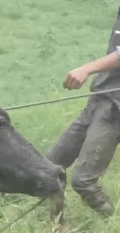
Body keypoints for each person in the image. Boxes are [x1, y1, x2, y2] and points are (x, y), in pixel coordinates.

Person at [45, 6, 120, 219]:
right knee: (49, 167)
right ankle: (57, 226)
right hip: (100, 99)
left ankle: (114, 226)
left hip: (115, 109)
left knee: (84, 180)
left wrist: (86, 69)